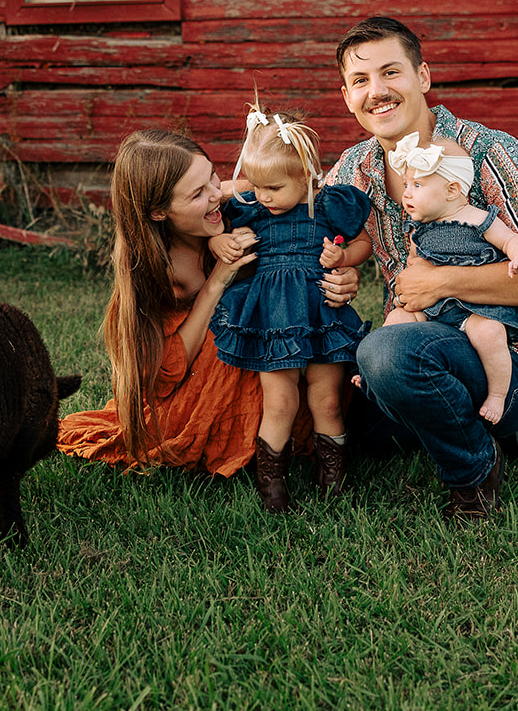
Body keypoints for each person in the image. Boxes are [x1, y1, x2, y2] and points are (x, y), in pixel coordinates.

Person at [325, 16, 518, 522]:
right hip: (417, 340)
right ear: (346, 96)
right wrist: (339, 269)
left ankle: (475, 468)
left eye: (391, 73)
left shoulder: (490, 152)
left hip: (503, 358)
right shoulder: (355, 169)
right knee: (330, 394)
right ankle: (434, 411)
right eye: (360, 81)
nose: (376, 92)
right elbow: (311, 235)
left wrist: (442, 280)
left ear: (423, 76)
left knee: (383, 351)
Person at [57, 130, 328, 479]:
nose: (216, 195)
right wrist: (217, 280)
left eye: (213, 176)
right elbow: (165, 373)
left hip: (281, 357)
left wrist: (341, 273)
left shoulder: (241, 200)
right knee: (235, 331)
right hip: (193, 383)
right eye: (198, 193)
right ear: (158, 212)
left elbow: (306, 193)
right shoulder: (153, 266)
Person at [207, 104, 374, 513]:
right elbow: (217, 224)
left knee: (327, 399)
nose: (263, 197)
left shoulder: (331, 205)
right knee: (280, 401)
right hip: (273, 318)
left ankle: (333, 478)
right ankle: (273, 485)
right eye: (257, 186)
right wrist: (217, 243)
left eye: (274, 188)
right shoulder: (253, 209)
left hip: (322, 315)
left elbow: (364, 243)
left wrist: (345, 258)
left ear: (307, 175)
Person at [382, 132, 518, 426]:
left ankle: (497, 394)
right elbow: (416, 269)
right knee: (396, 320)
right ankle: (371, 371)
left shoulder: (478, 218)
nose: (407, 194)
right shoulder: (420, 230)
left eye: (417, 185)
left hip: (474, 310)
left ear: (452, 189)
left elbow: (509, 241)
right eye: (406, 185)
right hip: (434, 311)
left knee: (490, 334)